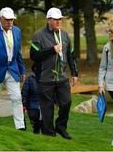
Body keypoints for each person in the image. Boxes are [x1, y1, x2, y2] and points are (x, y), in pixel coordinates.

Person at [30, 7, 78, 139]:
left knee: (66, 102)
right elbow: (33, 55)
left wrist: (74, 73)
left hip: (62, 77)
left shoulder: (65, 35)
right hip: (45, 78)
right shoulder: (39, 35)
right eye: (55, 19)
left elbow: (71, 55)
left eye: (60, 19)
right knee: (47, 108)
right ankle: (49, 134)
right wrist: (52, 50)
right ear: (48, 20)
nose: (58, 22)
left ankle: (61, 127)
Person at [21, 64, 43, 134]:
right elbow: (24, 93)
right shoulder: (29, 80)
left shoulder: (45, 79)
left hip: (43, 106)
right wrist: (24, 105)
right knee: (35, 119)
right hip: (32, 106)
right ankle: (36, 131)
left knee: (42, 122)